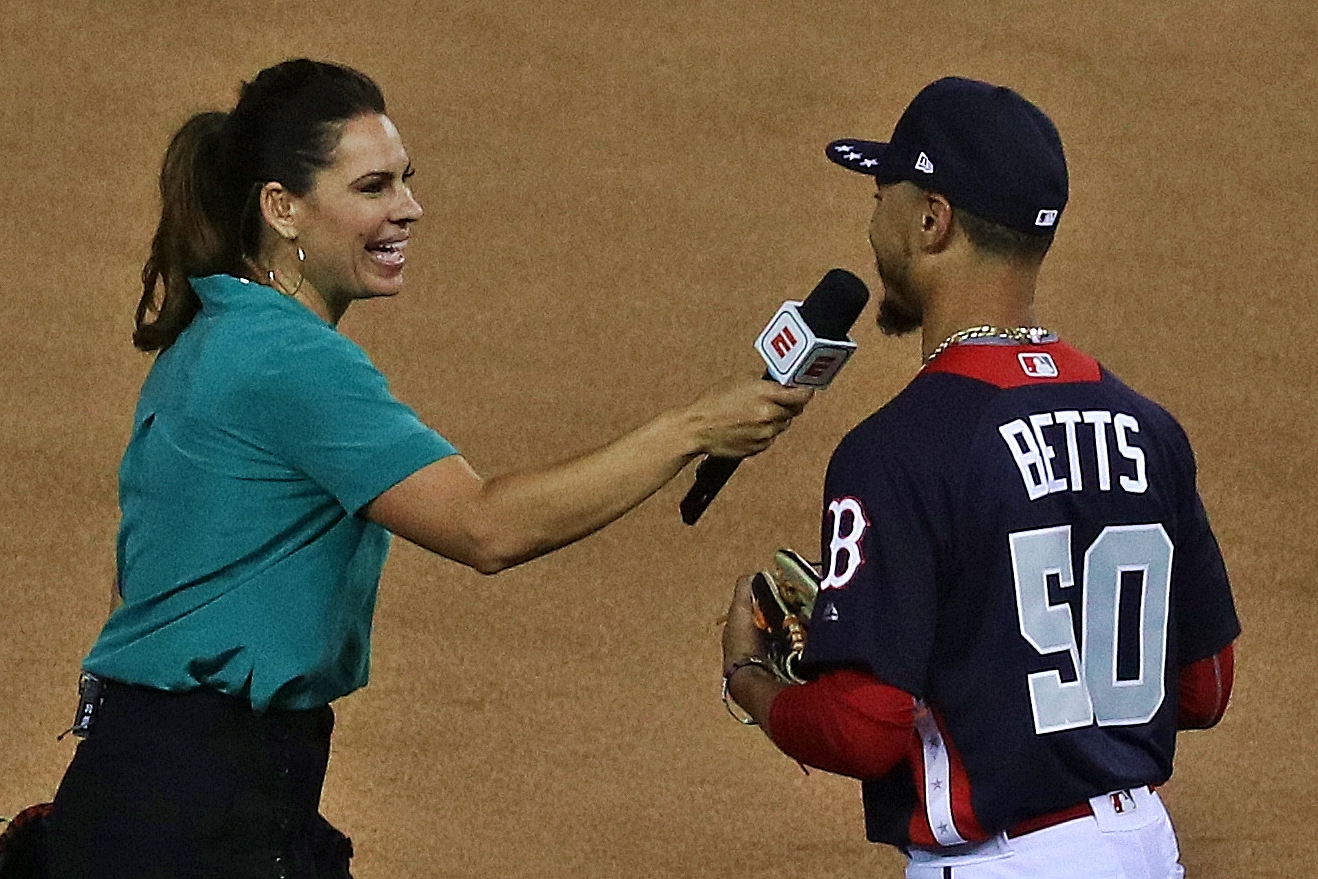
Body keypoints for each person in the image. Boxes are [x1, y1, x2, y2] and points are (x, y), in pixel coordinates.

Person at [41, 58, 813, 879]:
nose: (409, 208)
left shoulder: (211, 338)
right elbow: (487, 526)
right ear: (283, 208)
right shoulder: (288, 359)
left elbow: (138, 581)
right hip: (199, 812)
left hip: (148, 782)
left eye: (405, 181)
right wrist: (693, 427)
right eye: (373, 187)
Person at [720, 77, 1239, 879]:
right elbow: (1203, 686)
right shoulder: (1151, 429)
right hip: (1145, 848)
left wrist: (752, 682)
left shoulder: (896, 449)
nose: (871, 223)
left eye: (882, 194)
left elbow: (864, 727)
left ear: (932, 220)